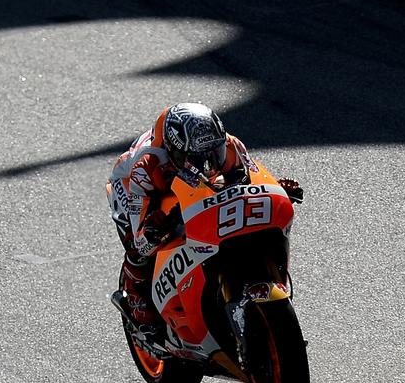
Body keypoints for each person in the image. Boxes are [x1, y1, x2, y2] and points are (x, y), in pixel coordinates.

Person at [107, 102, 302, 339]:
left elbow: (250, 180)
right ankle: (136, 298)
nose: (207, 165)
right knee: (142, 246)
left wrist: (276, 189)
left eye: (213, 154)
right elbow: (141, 239)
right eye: (196, 158)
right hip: (134, 187)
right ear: (174, 151)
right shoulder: (146, 168)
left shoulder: (231, 145)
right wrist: (152, 229)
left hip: (181, 180)